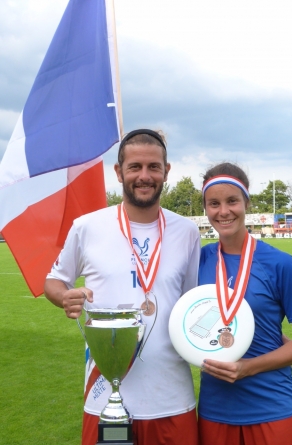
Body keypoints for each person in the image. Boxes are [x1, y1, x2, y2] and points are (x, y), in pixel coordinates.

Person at [44, 129, 200, 445]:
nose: (145, 176)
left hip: (170, 397)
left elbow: (192, 305)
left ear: (166, 171)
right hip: (104, 397)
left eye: (154, 167)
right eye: (135, 167)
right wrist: (65, 296)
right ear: (119, 172)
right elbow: (54, 280)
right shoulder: (87, 227)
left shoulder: (187, 232)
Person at [198, 162, 292, 445]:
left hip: (274, 408)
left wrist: (249, 367)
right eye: (213, 203)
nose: (223, 211)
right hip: (215, 410)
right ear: (206, 209)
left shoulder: (278, 263)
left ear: (247, 203)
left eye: (232, 201)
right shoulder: (198, 260)